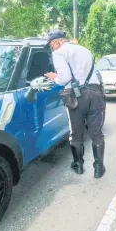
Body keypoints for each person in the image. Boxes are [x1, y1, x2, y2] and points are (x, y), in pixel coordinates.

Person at [44, 29, 106, 178]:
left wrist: (55, 78)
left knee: (76, 133)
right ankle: (98, 168)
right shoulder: (85, 50)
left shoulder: (59, 53)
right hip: (96, 93)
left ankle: (78, 165)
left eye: (52, 45)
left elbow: (64, 77)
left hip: (76, 96)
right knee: (96, 133)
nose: (52, 48)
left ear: (57, 42)